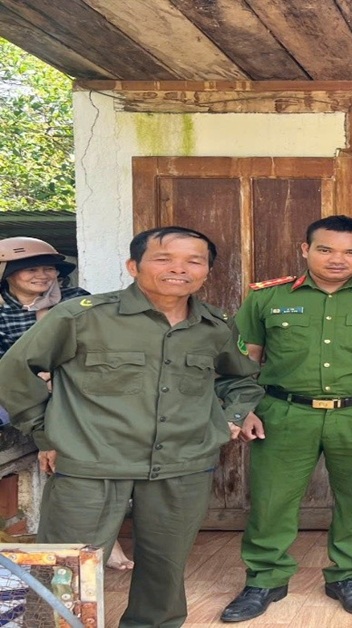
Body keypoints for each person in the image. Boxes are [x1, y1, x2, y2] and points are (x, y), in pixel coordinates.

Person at [0, 226, 265, 627]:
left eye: (194, 261)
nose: (179, 269)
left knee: (165, 569)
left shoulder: (216, 325)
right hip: (91, 463)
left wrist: (231, 417)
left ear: (207, 272)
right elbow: (14, 372)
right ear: (133, 266)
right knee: (64, 571)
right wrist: (46, 433)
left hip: (183, 464)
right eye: (164, 259)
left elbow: (240, 379)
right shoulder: (81, 316)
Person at [220, 215, 352, 622]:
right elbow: (247, 357)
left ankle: (348, 575)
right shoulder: (266, 298)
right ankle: (264, 578)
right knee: (272, 499)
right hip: (283, 412)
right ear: (305, 249)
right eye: (325, 249)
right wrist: (245, 408)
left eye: (351, 251)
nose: (337, 259)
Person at [0, 236, 133, 570]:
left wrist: (59, 374)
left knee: (86, 458)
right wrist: (35, 378)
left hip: (74, 388)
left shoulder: (77, 300)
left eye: (48, 269)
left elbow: (102, 347)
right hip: (21, 391)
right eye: (31, 269)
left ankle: (105, 539)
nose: (42, 275)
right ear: (7, 274)